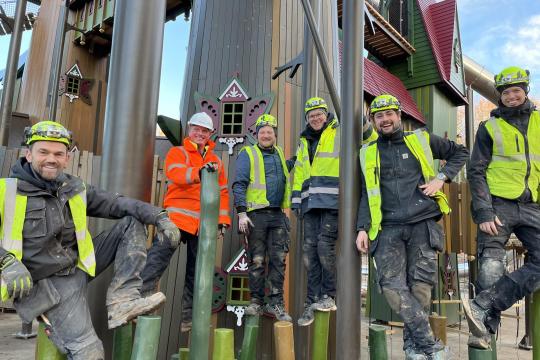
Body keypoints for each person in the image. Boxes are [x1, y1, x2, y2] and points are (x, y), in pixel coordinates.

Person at [0, 121, 180, 359]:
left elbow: (116, 203)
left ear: (67, 158)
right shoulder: (6, 190)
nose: (51, 159)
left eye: (58, 153)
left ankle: (122, 300)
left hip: (77, 267)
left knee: (131, 221)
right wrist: (6, 261)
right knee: (90, 352)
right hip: (45, 283)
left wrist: (159, 216)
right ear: (28, 154)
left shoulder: (72, 187)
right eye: (43, 152)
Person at [356, 94, 468, 359]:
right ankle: (429, 343)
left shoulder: (420, 139)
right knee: (391, 287)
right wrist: (362, 227)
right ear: (373, 120)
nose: (384, 120)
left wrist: (442, 178)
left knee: (420, 287)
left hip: (422, 223)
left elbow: (460, 152)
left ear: (399, 116)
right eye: (378, 116)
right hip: (387, 228)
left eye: (389, 114)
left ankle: (412, 347)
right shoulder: (367, 152)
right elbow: (365, 193)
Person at [462, 66, 540, 350]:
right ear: (500, 96)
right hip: (498, 205)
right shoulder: (489, 127)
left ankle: (484, 304)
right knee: (491, 264)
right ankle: (484, 333)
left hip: (532, 205)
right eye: (506, 93)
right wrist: (483, 212)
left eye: (516, 91)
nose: (511, 96)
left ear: (526, 91)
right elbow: (476, 171)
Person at [291, 97, 378, 326]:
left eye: (319, 114)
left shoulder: (340, 130)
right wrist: (296, 200)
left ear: (326, 114)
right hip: (310, 202)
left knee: (323, 245)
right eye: (311, 116)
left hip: (332, 200)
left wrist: (361, 118)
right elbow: (300, 172)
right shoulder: (304, 140)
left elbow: (372, 138)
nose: (315, 118)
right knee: (309, 250)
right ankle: (312, 300)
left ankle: (329, 295)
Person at [141, 112, 231, 332]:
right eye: (196, 129)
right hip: (176, 219)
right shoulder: (177, 152)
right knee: (157, 259)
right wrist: (199, 172)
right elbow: (176, 174)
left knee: (196, 271)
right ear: (190, 130)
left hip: (202, 225)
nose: (200, 133)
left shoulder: (216, 161)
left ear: (211, 134)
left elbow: (223, 193)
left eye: (204, 131)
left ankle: (188, 317)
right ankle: (139, 299)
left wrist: (222, 221)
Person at [232, 114, 293, 322]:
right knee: (257, 261)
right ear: (256, 135)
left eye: (269, 131)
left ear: (275, 134)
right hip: (255, 216)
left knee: (278, 261)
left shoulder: (279, 154)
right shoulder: (247, 153)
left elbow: (283, 171)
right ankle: (256, 302)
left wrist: (297, 159)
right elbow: (239, 183)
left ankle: (276, 303)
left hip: (278, 215)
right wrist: (241, 212)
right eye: (262, 132)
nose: (266, 135)